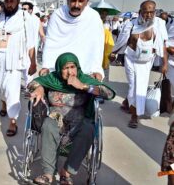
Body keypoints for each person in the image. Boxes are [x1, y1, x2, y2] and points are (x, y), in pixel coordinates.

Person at [29, 53, 115, 184]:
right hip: (56, 118)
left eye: (72, 67)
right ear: (59, 69)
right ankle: (48, 174)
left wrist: (83, 86)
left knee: (89, 129)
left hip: (78, 121)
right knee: (47, 125)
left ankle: (66, 172)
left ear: (77, 67)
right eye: (65, 68)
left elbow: (109, 94)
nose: (70, 71)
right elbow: (31, 84)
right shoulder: (53, 78)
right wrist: (40, 87)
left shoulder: (83, 79)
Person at [0, 0, 37, 136]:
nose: (9, 4)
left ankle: (13, 122)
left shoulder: (25, 18)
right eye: (6, 1)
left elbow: (31, 43)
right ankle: (4, 102)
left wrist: (33, 62)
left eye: (12, 1)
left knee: (12, 91)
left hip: (14, 59)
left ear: (18, 0)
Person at [40, 0, 104, 81]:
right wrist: (47, 65)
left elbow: (97, 46)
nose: (76, 5)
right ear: (68, 0)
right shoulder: (57, 15)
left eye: (81, 1)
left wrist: (96, 69)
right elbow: (50, 43)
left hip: (85, 71)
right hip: (60, 70)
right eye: (73, 1)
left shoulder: (93, 17)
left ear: (86, 2)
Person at [124, 0, 168, 128]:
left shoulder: (159, 24)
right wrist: (114, 53)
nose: (148, 15)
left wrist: (164, 63)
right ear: (140, 12)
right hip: (131, 60)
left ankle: (134, 115)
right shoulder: (131, 24)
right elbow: (123, 41)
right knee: (133, 88)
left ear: (155, 12)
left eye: (151, 12)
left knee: (141, 89)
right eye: (145, 12)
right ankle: (133, 112)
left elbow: (163, 46)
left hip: (146, 62)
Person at [22, 2, 46, 87]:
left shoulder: (36, 20)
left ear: (31, 10)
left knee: (29, 69)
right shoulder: (20, 19)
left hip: (32, 48)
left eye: (25, 9)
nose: (23, 11)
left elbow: (42, 34)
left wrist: (46, 46)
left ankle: (28, 87)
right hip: (20, 48)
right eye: (22, 9)